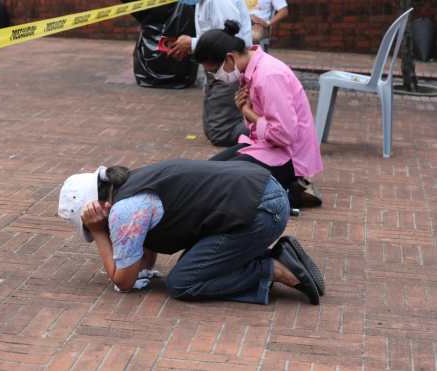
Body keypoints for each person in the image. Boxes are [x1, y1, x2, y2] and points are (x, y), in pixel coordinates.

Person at [58, 159, 324, 305]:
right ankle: (278, 256)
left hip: (261, 210)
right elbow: (145, 258)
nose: (94, 231)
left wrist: (99, 233)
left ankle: (273, 268)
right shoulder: (132, 183)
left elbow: (124, 282)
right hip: (261, 192)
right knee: (192, 268)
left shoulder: (125, 210)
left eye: (90, 226)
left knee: (183, 283)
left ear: (98, 207)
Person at [196, 21, 323, 208]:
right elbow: (264, 126)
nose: (216, 76)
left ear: (230, 58)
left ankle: (287, 191)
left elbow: (285, 134)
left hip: (288, 157)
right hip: (267, 146)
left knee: (220, 182)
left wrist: (248, 112)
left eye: (215, 70)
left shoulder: (268, 76)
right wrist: (247, 113)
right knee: (205, 172)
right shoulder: (251, 70)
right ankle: (280, 188)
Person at [168, 0, 252, 147]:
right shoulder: (203, 3)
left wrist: (192, 43)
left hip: (228, 67)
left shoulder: (220, 2)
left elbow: (228, 40)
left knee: (220, 133)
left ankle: (265, 130)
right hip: (216, 65)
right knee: (212, 128)